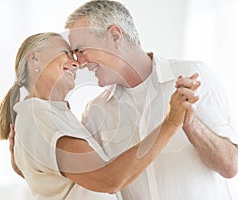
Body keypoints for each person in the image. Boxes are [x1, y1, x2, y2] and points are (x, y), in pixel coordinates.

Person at [62, 0, 238, 199]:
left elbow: (230, 166)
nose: (80, 63)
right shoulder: (95, 111)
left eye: (82, 50)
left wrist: (192, 125)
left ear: (114, 35)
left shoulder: (193, 76)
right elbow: (85, 179)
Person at [0, 32, 199, 200]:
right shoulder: (38, 116)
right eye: (66, 53)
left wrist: (25, 168)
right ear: (34, 58)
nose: (75, 63)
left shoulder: (48, 116)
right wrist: (171, 123)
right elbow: (108, 179)